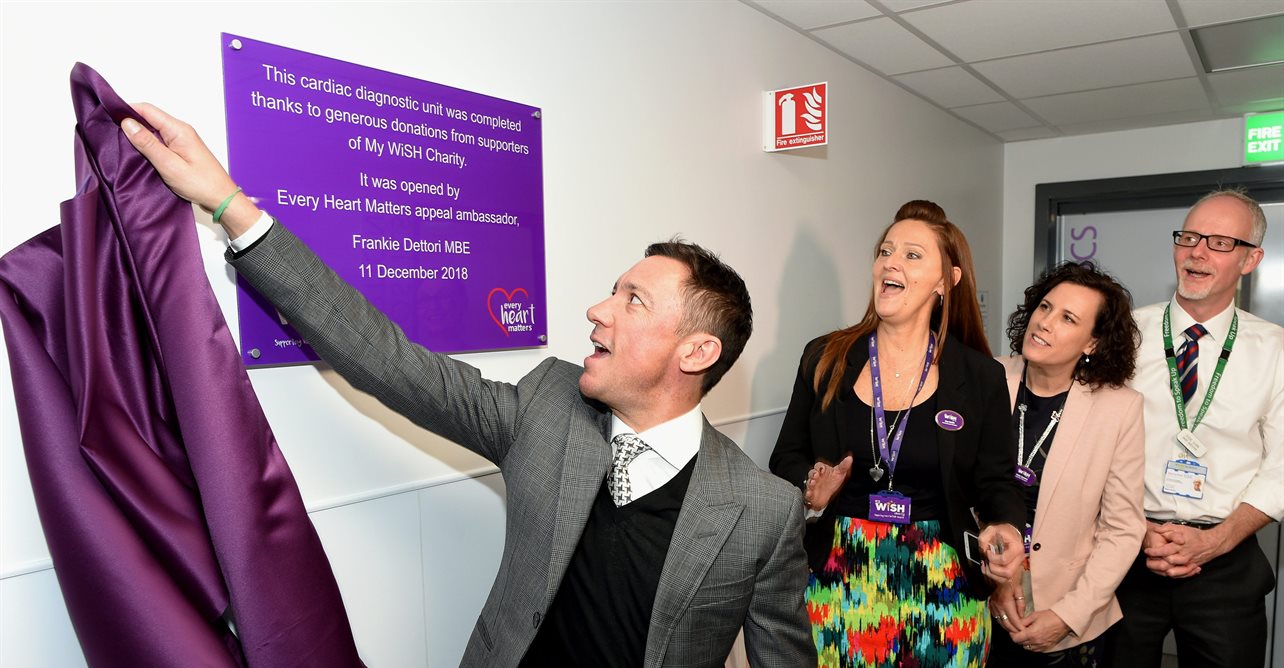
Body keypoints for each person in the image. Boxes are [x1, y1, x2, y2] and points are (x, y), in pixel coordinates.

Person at [119, 104, 815, 667]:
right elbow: (385, 357)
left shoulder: (760, 510)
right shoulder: (546, 408)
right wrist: (230, 205)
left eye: (633, 301)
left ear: (697, 351)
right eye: (612, 291)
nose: (597, 311)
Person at [769, 201, 1026, 667]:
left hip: (943, 583)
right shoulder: (824, 357)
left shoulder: (980, 376)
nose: (891, 261)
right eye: (885, 251)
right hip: (838, 574)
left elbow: (996, 480)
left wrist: (1007, 526)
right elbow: (785, 455)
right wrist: (812, 487)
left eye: (912, 255)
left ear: (947, 281)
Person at [1107, 189, 1283, 667]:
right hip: (1126, 555)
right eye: (1189, 237)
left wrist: (1217, 540)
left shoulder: (1275, 350)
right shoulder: (1125, 336)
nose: (1197, 252)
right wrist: (1140, 529)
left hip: (1226, 565)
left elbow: (1282, 465)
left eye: (1220, 242)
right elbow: (1091, 447)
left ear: (1251, 260)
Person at [988, 261, 1145, 666]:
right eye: (1044, 307)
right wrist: (990, 583)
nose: (1045, 323)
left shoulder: (1119, 409)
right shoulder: (986, 377)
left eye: (1068, 318)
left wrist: (1066, 616)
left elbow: (1122, 529)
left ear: (1092, 343)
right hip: (976, 601)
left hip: (1062, 615)